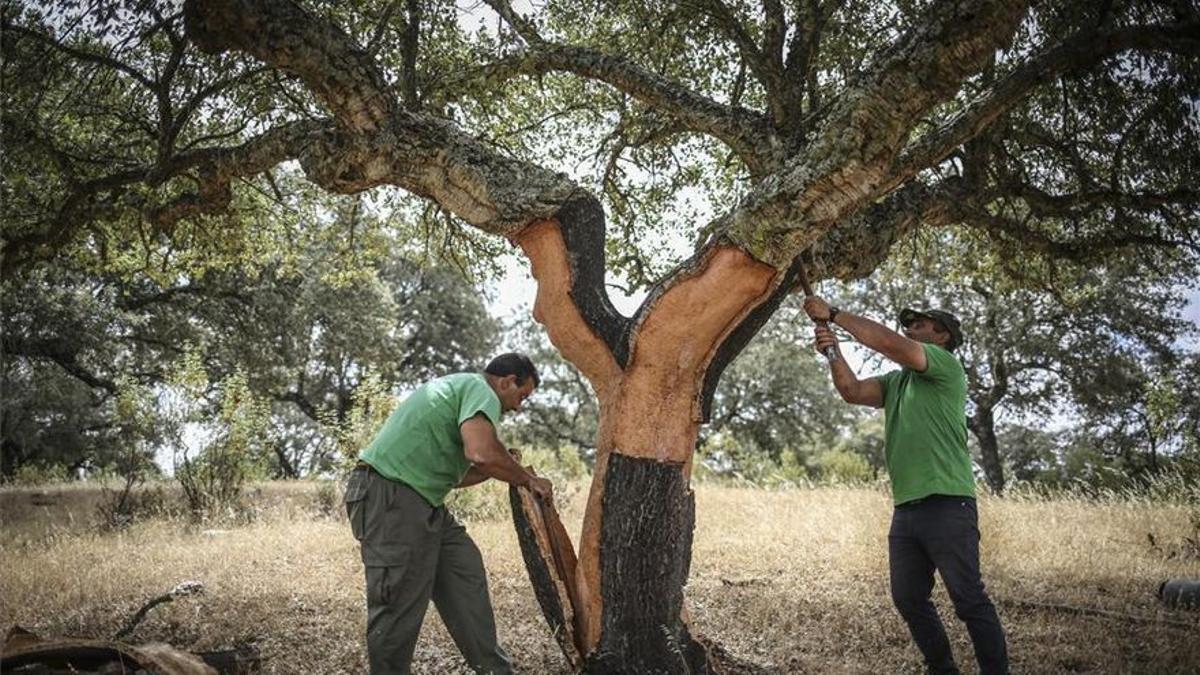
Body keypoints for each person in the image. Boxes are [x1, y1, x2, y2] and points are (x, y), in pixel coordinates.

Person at [803, 298, 1008, 675]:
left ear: (942, 336)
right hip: (907, 509)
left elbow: (889, 344)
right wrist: (831, 351)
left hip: (949, 503)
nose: (910, 328)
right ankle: (942, 668)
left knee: (969, 600)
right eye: (908, 324)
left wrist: (833, 314)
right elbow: (851, 390)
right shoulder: (897, 382)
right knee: (908, 598)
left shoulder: (945, 366)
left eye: (921, 324)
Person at [344, 352, 554, 674]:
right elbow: (481, 453)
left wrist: (504, 466)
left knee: (464, 571)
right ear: (507, 381)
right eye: (521, 395)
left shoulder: (462, 397)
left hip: (425, 502)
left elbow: (460, 475)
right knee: (398, 607)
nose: (518, 406)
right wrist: (527, 478)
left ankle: (495, 670)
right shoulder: (480, 389)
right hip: (391, 498)